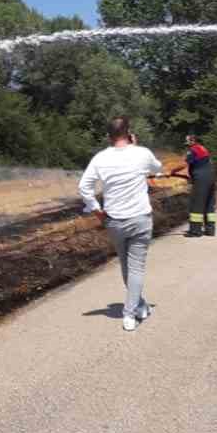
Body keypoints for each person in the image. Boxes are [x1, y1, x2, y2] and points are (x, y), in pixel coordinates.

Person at [78, 116, 163, 332]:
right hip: (140, 219)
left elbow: (84, 187)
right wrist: (136, 145)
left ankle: (140, 305)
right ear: (129, 132)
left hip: (114, 221)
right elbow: (157, 168)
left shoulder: (100, 158)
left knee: (127, 266)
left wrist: (97, 211)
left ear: (109, 136)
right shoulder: (141, 153)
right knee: (135, 267)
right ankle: (129, 313)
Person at [172, 134, 217, 237]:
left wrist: (173, 171)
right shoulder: (202, 148)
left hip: (201, 178)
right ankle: (210, 230)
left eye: (187, 141)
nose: (187, 144)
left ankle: (195, 231)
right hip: (210, 176)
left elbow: (184, 164)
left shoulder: (193, 150)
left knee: (196, 203)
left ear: (192, 141)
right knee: (209, 204)